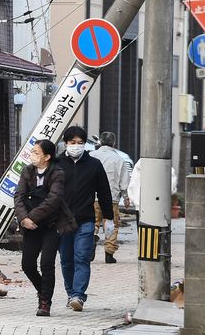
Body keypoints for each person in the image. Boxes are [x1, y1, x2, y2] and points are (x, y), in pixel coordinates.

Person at [14, 139, 77, 317]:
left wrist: (31, 217)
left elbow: (54, 200)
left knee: (47, 263)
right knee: (27, 264)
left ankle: (45, 302)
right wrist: (23, 218)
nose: (32, 155)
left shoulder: (57, 173)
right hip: (30, 226)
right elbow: (19, 196)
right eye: (32, 152)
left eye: (36, 152)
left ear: (47, 157)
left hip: (52, 224)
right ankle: (43, 291)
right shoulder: (27, 171)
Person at [56, 125, 114, 312]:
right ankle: (70, 292)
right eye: (72, 143)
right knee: (66, 259)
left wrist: (109, 218)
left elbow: (104, 192)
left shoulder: (94, 165)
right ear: (65, 143)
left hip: (85, 219)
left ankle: (78, 296)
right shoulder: (56, 164)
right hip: (62, 221)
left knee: (82, 257)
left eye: (80, 143)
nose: (76, 146)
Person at [89, 131, 130, 263]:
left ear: (100, 142)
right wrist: (126, 197)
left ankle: (90, 244)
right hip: (112, 198)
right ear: (114, 143)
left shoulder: (91, 155)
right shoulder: (119, 159)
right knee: (111, 224)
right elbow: (124, 182)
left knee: (91, 222)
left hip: (92, 197)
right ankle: (109, 254)